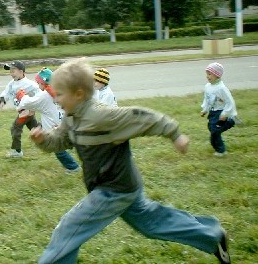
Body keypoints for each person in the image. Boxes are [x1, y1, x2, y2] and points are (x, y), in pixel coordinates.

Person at [29, 58, 230, 264]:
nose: (55, 99)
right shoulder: (71, 117)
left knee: (70, 227)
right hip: (126, 186)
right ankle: (213, 236)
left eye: (60, 94)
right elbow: (61, 140)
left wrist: (174, 134)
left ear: (79, 94)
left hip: (113, 189)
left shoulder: (101, 115)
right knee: (152, 224)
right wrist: (43, 139)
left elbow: (143, 117)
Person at [16, 68, 80, 174]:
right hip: (68, 124)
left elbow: (28, 103)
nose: (37, 85)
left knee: (58, 149)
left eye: (38, 82)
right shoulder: (61, 91)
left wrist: (22, 96)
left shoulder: (44, 96)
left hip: (53, 127)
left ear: (43, 82)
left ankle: (73, 168)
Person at [0, 60, 39, 158]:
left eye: (13, 71)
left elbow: (40, 92)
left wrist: (35, 106)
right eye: (10, 71)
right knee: (36, 128)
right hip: (23, 111)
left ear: (21, 72)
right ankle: (47, 139)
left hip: (26, 110)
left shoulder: (30, 84)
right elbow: (6, 92)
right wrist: (3, 100)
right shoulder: (12, 83)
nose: (11, 73)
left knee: (15, 128)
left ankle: (17, 151)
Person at [200, 62, 239, 157]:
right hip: (213, 112)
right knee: (211, 127)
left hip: (220, 112)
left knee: (215, 131)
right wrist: (205, 109)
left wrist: (225, 114)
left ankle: (221, 150)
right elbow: (207, 99)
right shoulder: (208, 87)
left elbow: (230, 102)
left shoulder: (221, 88)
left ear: (217, 75)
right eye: (207, 74)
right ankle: (230, 122)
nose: (207, 76)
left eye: (210, 74)